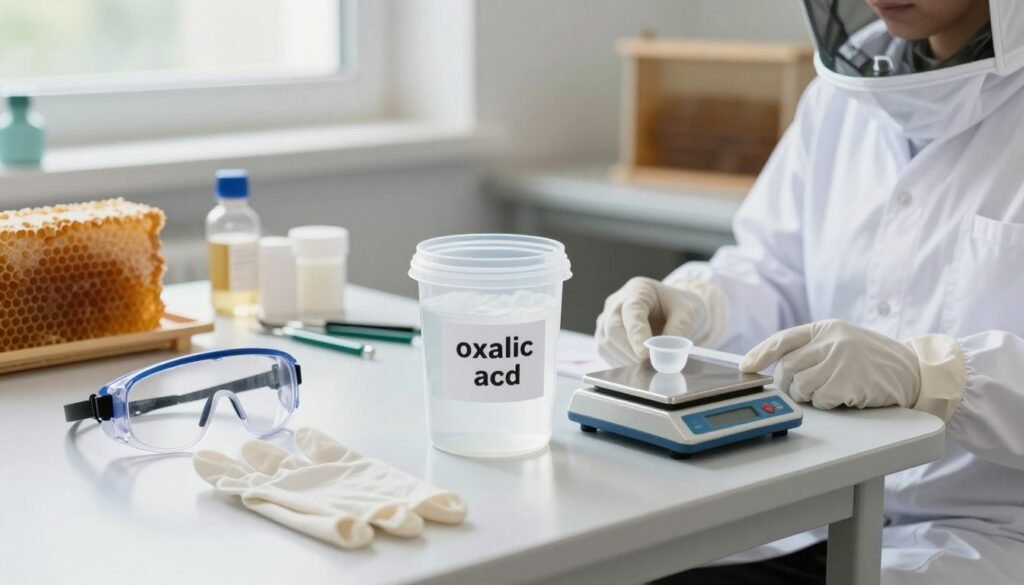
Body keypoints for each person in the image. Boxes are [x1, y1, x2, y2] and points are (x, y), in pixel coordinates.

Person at [595, 1, 1024, 583]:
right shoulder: (842, 97)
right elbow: (775, 268)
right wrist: (698, 304)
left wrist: (934, 378)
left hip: (991, 537)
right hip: (816, 507)